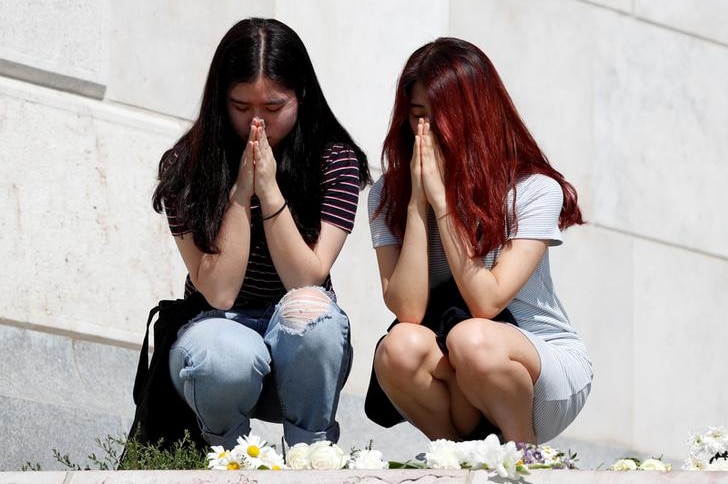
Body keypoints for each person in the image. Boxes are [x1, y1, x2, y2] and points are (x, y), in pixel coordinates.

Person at [151, 17, 370, 450]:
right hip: (215, 339)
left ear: (300, 97)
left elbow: (305, 278)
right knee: (224, 352)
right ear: (220, 100)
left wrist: (269, 193)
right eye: (240, 107)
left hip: (299, 347)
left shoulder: (334, 161)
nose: (257, 122)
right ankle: (227, 455)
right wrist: (239, 196)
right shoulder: (186, 167)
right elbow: (219, 293)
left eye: (273, 108)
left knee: (314, 315)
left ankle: (311, 454)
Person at [367, 37, 592, 445]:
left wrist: (444, 204)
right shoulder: (388, 195)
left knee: (471, 338)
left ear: (475, 117)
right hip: (453, 362)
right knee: (397, 348)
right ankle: (452, 457)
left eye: (442, 119)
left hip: (538, 365)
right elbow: (409, 311)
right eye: (418, 116)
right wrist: (419, 205)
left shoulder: (533, 189)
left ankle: (522, 455)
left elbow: (486, 303)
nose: (428, 132)